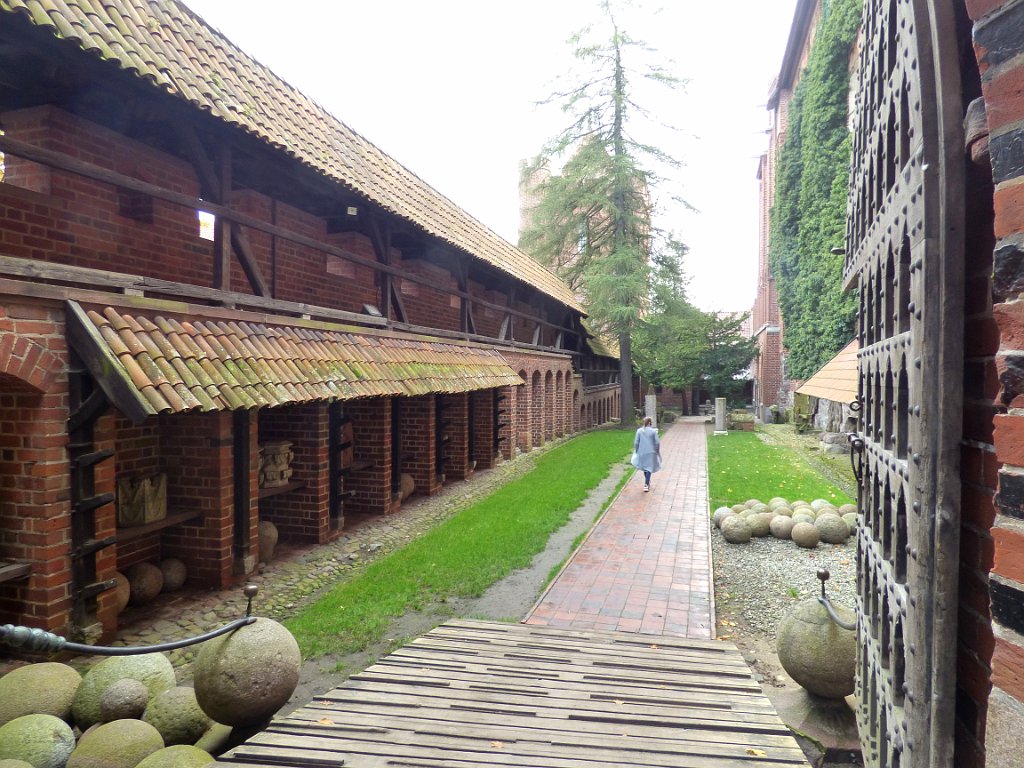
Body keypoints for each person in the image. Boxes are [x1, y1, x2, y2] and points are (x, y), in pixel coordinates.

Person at [632, 416, 662, 492]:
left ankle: (647, 482)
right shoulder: (653, 431)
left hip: (642, 452)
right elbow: (657, 442)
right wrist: (657, 450)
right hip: (651, 452)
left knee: (645, 467)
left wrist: (637, 450)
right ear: (650, 423)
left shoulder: (639, 431)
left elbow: (636, 442)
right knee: (649, 468)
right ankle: (646, 483)